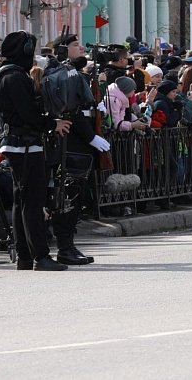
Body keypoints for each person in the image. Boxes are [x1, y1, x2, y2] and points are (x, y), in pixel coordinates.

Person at [0, 31, 72, 270]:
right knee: (32, 201)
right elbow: (28, 115)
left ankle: (26, 256)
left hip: (20, 144)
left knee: (23, 201)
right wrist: (52, 123)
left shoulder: (8, 74)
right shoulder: (14, 77)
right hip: (25, 145)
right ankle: (40, 255)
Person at [41, 32, 109, 265]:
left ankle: (67, 245)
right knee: (66, 197)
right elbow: (71, 112)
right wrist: (90, 137)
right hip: (70, 144)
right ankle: (65, 247)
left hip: (77, 144)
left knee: (74, 198)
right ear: (62, 49)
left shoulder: (70, 73)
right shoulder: (60, 74)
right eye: (75, 45)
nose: (81, 48)